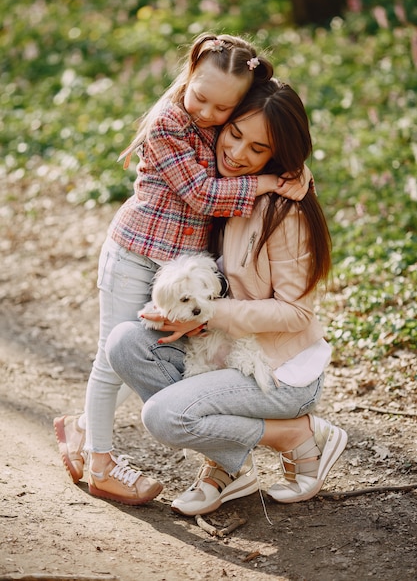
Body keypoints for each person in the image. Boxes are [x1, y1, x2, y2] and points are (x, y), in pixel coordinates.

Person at [53, 33, 312, 506]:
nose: (209, 115)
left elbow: (262, 136)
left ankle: (83, 427)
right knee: (112, 356)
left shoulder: (228, 127)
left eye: (223, 110)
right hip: (136, 252)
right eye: (201, 98)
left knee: (143, 351)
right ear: (188, 75)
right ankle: (100, 463)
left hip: (180, 265)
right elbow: (202, 194)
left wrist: (293, 169)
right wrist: (271, 180)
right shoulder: (168, 122)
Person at [105, 78, 348, 516]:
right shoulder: (216, 189)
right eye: (234, 134)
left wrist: (211, 314)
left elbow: (295, 313)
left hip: (278, 372)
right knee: (125, 343)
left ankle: (296, 435)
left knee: (163, 417)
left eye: (258, 149)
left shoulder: (284, 211)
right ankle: (231, 465)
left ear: (278, 156)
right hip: (226, 350)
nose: (237, 153)